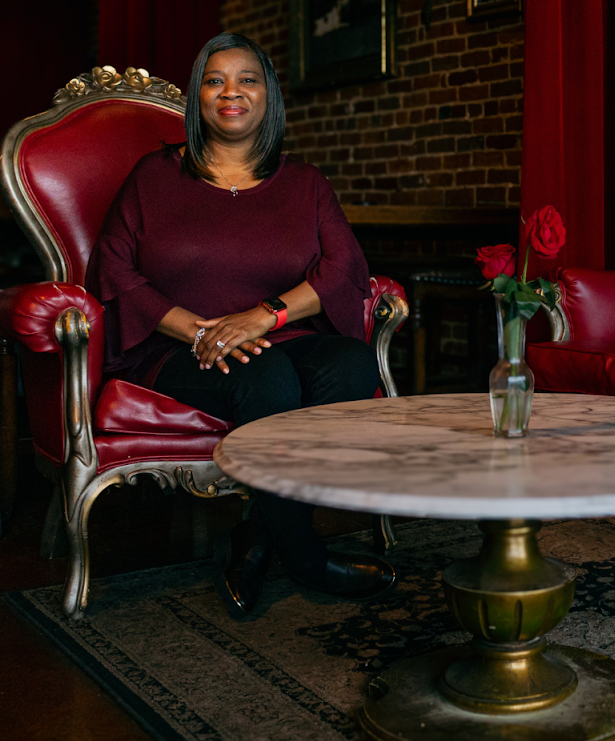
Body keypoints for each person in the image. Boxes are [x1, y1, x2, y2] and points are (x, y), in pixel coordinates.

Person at [87, 32, 396, 619]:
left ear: (268, 95)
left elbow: (344, 267)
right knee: (268, 377)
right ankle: (305, 557)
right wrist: (195, 329)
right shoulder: (153, 177)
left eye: (247, 79)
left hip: (281, 336)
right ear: (198, 97)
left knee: (350, 364)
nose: (232, 92)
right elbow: (113, 268)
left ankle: (256, 534)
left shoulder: (305, 184)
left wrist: (265, 315)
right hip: (179, 347)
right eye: (215, 79)